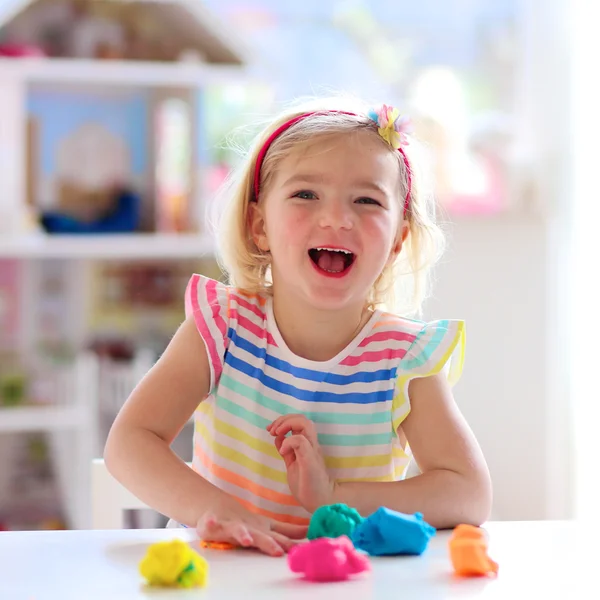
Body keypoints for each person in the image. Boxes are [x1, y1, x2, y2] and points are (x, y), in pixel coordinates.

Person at [104, 97, 492, 557]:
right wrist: (216, 509)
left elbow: (467, 493)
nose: (337, 218)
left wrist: (334, 495)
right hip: (216, 576)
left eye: (366, 200)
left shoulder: (405, 359)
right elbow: (129, 443)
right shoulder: (223, 328)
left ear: (396, 242)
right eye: (306, 194)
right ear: (259, 224)